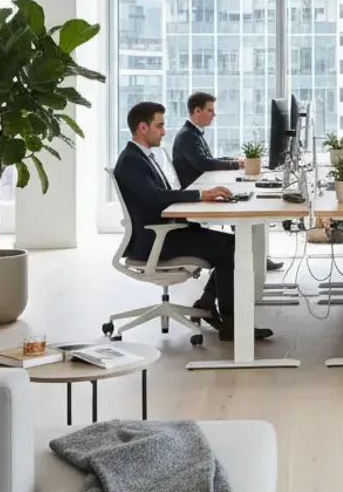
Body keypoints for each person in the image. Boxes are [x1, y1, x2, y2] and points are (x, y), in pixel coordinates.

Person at [112, 101, 274, 342]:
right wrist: (200, 195)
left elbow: (159, 196)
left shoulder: (142, 157)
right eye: (159, 125)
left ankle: (209, 304)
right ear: (143, 127)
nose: (164, 131)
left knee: (231, 244)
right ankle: (232, 325)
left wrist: (201, 197)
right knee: (231, 247)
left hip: (166, 232)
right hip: (156, 240)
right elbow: (155, 197)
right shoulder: (131, 161)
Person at [172, 91, 281, 272]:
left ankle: (256, 258)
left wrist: (232, 160)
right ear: (197, 111)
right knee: (242, 202)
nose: (214, 115)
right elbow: (204, 163)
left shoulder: (194, 133)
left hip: (205, 185)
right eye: (210, 110)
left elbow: (207, 159)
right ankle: (251, 258)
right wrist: (234, 164)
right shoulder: (187, 136)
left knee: (243, 194)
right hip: (199, 193)